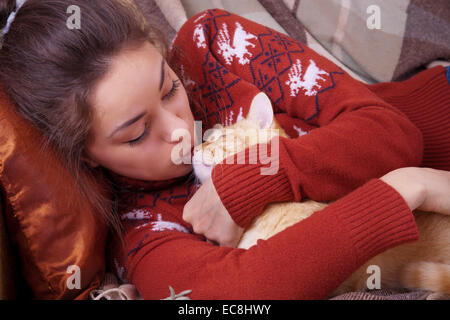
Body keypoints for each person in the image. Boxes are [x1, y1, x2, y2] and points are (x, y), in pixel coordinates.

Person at [0, 0, 449, 300]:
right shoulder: (143, 231)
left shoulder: (212, 44)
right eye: (136, 134)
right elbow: (236, 299)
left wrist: (255, 177)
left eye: (169, 89)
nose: (181, 129)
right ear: (86, 155)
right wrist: (407, 187)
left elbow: (391, 134)